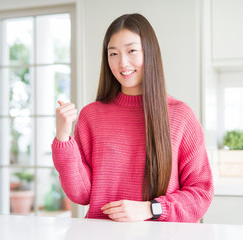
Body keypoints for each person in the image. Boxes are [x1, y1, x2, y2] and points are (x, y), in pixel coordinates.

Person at [52, 13, 214, 222]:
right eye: (113, 54)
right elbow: (81, 195)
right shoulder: (91, 115)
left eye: (132, 51)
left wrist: (151, 208)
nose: (122, 63)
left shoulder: (180, 115)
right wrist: (63, 137)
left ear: (150, 52)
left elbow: (201, 193)